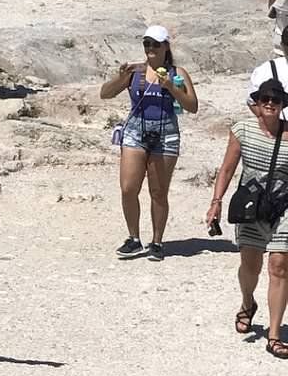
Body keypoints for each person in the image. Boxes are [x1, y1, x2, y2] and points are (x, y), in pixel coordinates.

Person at [205, 77, 288, 358]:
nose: (269, 104)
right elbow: (227, 170)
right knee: (250, 267)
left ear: (282, 105)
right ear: (257, 101)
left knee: (279, 265)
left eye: (275, 100)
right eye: (264, 98)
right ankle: (247, 302)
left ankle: (274, 336)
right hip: (251, 207)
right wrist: (216, 202)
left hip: (282, 208)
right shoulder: (242, 130)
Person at [99, 26, 198, 260]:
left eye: (155, 44)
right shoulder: (135, 72)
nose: (150, 49)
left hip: (165, 133)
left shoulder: (178, 73)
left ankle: (157, 241)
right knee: (128, 187)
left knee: (158, 191)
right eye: (147, 44)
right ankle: (133, 238)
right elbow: (105, 93)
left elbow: (192, 106)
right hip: (136, 131)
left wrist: (171, 87)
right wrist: (120, 77)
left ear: (166, 46)